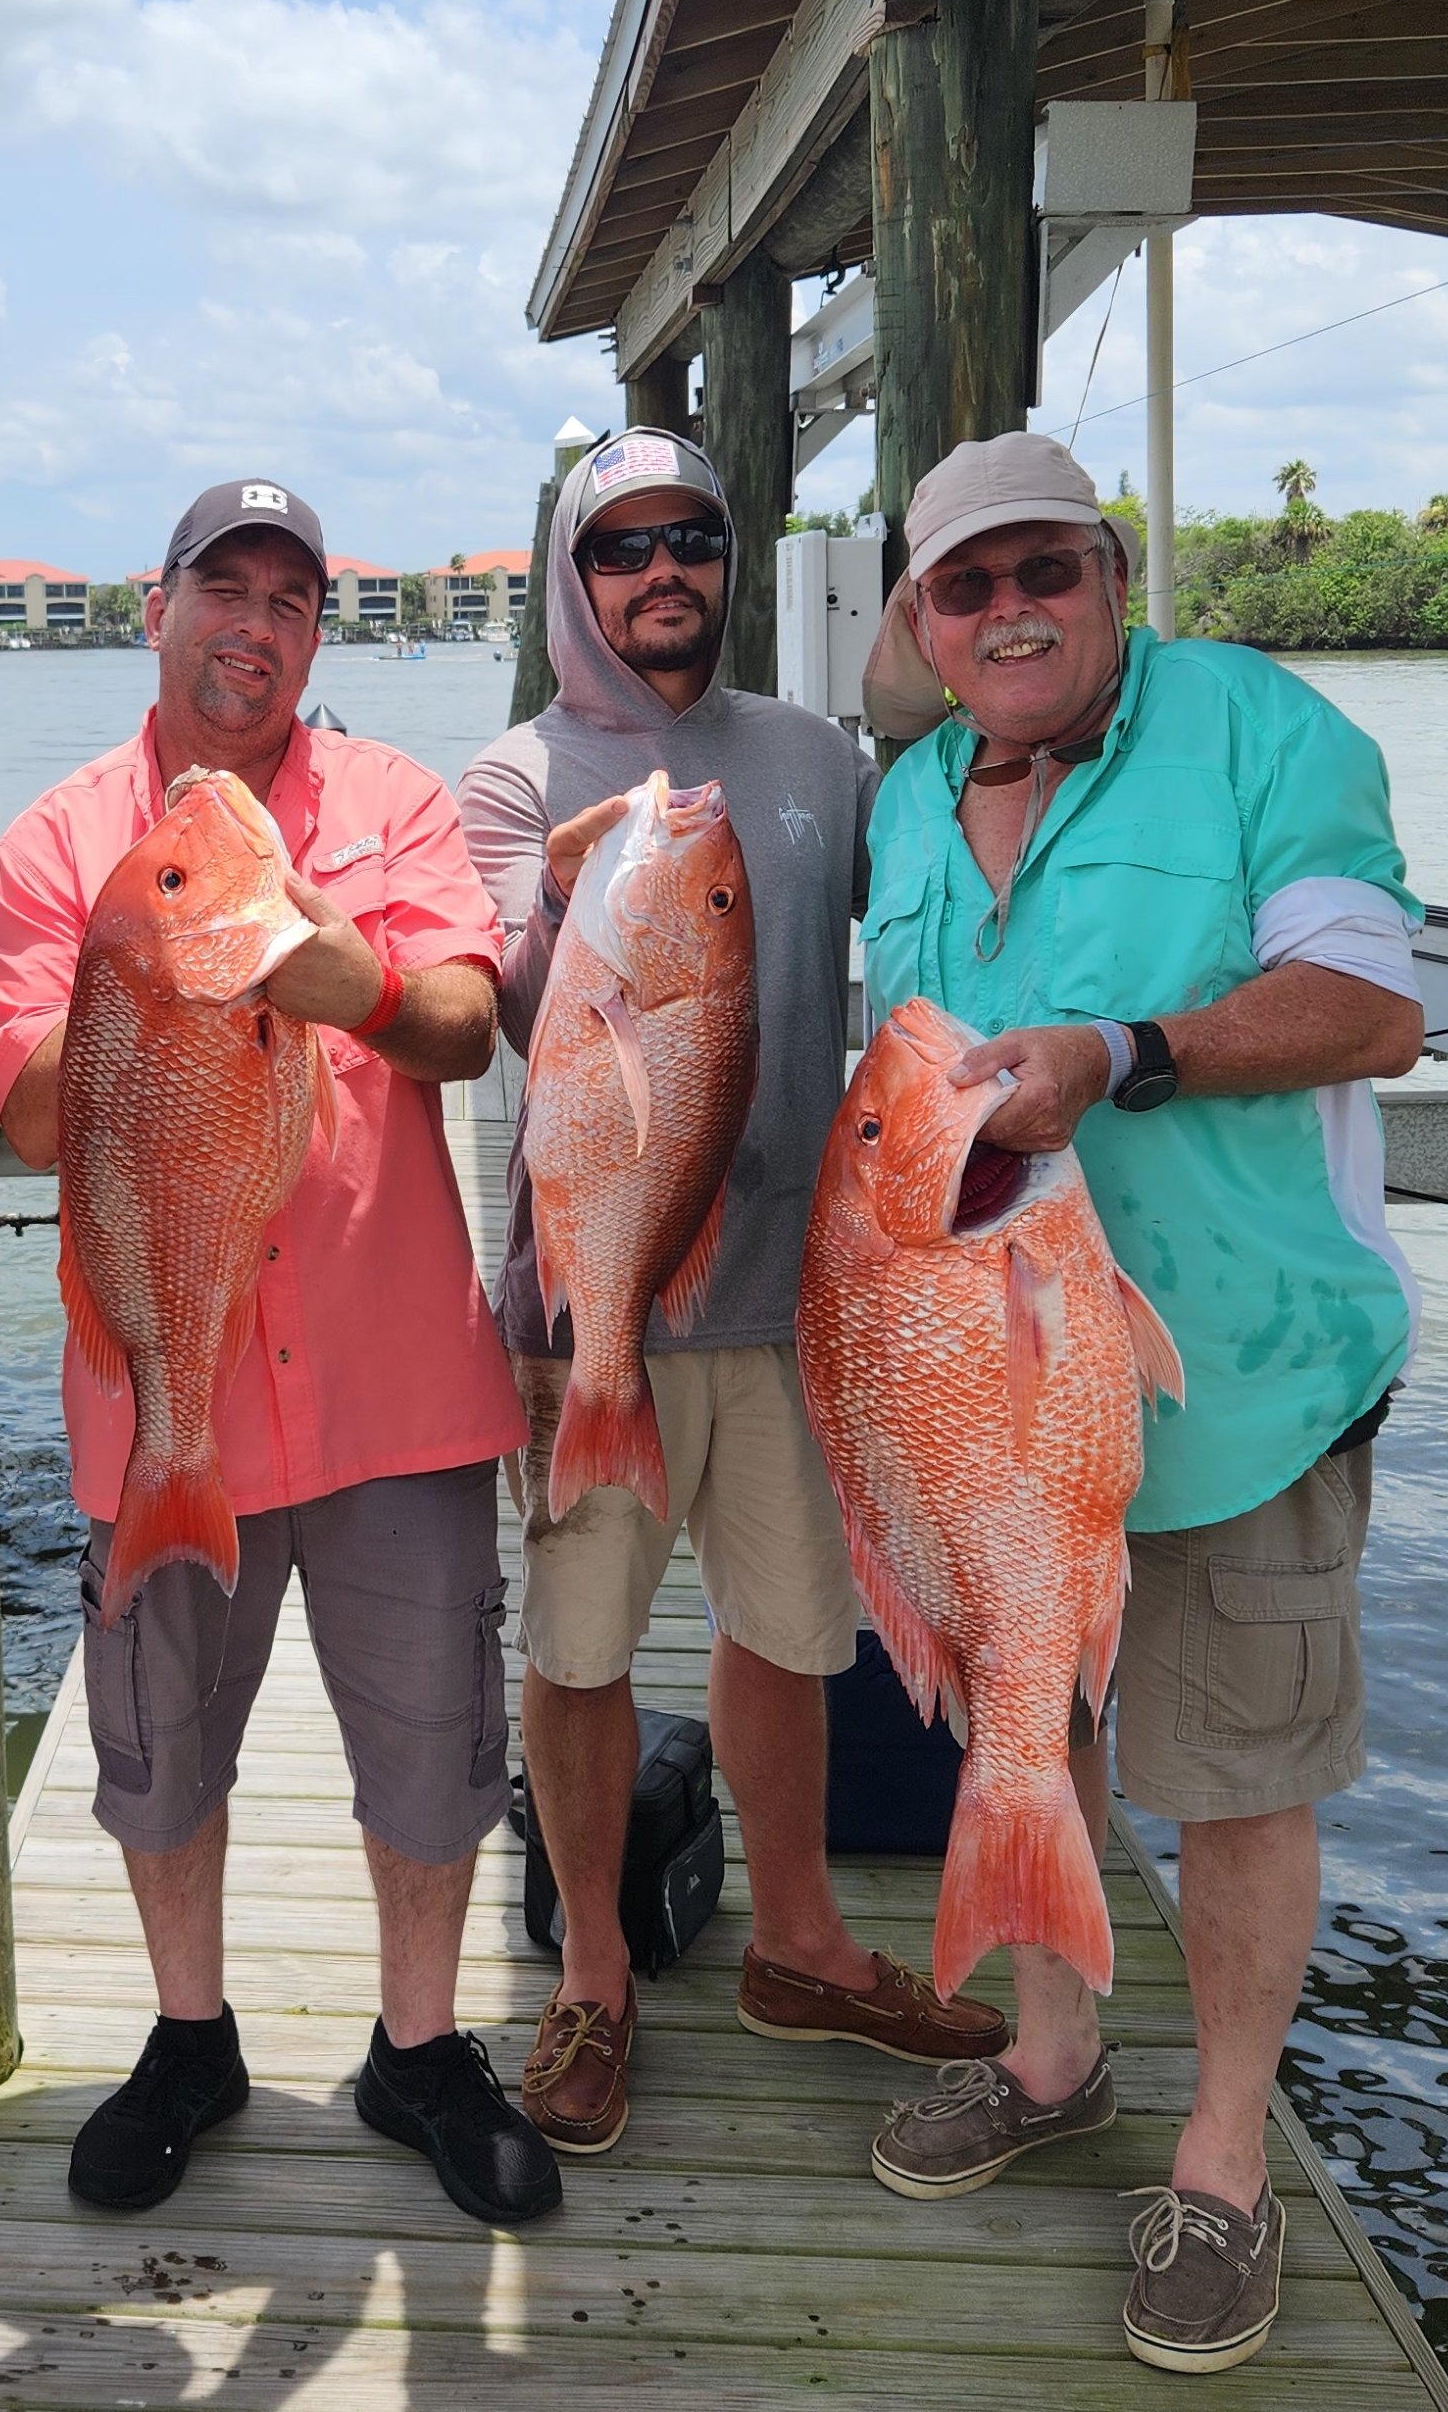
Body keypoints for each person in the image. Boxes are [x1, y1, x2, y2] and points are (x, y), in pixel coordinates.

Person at [853, 431, 1422, 2378]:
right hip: (991, 1389)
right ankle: (1053, 2053)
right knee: (1029, 1715)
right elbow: (896, 1096)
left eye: (1047, 572)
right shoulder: (911, 801)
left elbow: (1371, 1008)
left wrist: (1124, 1051)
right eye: (967, 586)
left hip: (1246, 1384)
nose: (1011, 612)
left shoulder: (1263, 729)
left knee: (1240, 1772)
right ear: (922, 624)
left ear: (1111, 574)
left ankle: (1227, 2161)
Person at [0, 478, 557, 2227]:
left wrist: (330, 972)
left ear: (317, 634)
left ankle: (420, 2048)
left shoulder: (393, 805)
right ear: (155, 608)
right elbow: (21, 1113)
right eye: (221, 587)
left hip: (397, 1387)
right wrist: (139, 977)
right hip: (168, 1389)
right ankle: (188, 2039)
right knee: (160, 1751)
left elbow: (463, 1022)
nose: (254, 624)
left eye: (290, 600)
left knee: (436, 1745)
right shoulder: (59, 843)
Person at [455, 428, 1007, 2156]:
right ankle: (594, 1970)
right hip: (595, 1309)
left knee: (792, 1635)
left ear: (728, 557)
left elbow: (953, 891)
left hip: (794, 1294)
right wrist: (561, 909)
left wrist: (927, 652)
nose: (661, 573)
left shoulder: (817, 758)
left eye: (689, 538)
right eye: (620, 548)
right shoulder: (512, 780)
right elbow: (501, 1011)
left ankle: (804, 1943)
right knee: (580, 1646)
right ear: (573, 577)